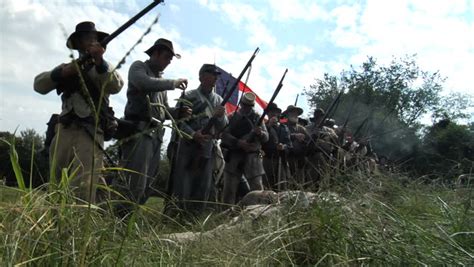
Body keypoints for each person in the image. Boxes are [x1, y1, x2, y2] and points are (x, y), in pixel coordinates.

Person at [34, 21, 124, 203]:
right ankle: (55, 225)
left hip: (90, 132)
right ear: (78, 44)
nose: (90, 42)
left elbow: (116, 85)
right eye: (85, 39)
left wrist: (100, 61)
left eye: (93, 39)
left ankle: (79, 227)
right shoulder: (67, 67)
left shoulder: (104, 69)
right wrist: (63, 73)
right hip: (64, 131)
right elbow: (39, 85)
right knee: (56, 183)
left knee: (83, 186)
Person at [113, 38, 189, 215]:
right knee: (133, 182)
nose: (168, 62)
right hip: (139, 131)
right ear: (155, 53)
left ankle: (126, 221)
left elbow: (163, 111)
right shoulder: (138, 67)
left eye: (170, 59)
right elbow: (144, 83)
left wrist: (178, 113)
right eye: (166, 57)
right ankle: (117, 219)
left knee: (147, 183)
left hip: (155, 135)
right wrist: (173, 83)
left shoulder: (160, 81)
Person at [168, 64, 228, 217]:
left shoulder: (219, 100)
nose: (215, 77)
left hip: (207, 147)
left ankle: (194, 219)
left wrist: (220, 116)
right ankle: (177, 217)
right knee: (183, 184)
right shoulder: (189, 96)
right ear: (201, 76)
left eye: (216, 75)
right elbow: (179, 122)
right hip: (188, 146)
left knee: (203, 186)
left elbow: (223, 127)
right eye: (211, 74)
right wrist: (193, 134)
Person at [221, 92, 269, 205]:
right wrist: (238, 143)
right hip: (234, 156)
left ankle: (259, 212)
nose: (247, 108)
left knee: (257, 188)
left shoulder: (258, 118)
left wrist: (260, 133)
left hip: (252, 157)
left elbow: (266, 137)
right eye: (245, 105)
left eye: (249, 106)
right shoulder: (232, 117)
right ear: (241, 104)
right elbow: (224, 135)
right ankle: (227, 214)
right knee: (229, 190)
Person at [262, 103, 292, 191]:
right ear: (267, 114)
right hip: (267, 160)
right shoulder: (263, 126)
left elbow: (289, 145)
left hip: (281, 160)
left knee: (282, 187)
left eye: (275, 112)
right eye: (271, 112)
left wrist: (283, 147)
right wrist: (268, 126)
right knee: (267, 187)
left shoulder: (284, 128)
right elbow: (261, 141)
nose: (274, 114)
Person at [282, 105, 310, 188]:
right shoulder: (282, 126)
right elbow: (281, 137)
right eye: (292, 112)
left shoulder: (301, 128)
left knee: (300, 183)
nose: (294, 114)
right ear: (287, 115)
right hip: (286, 159)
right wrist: (294, 136)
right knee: (287, 183)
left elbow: (309, 141)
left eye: (296, 113)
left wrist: (304, 141)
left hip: (299, 160)